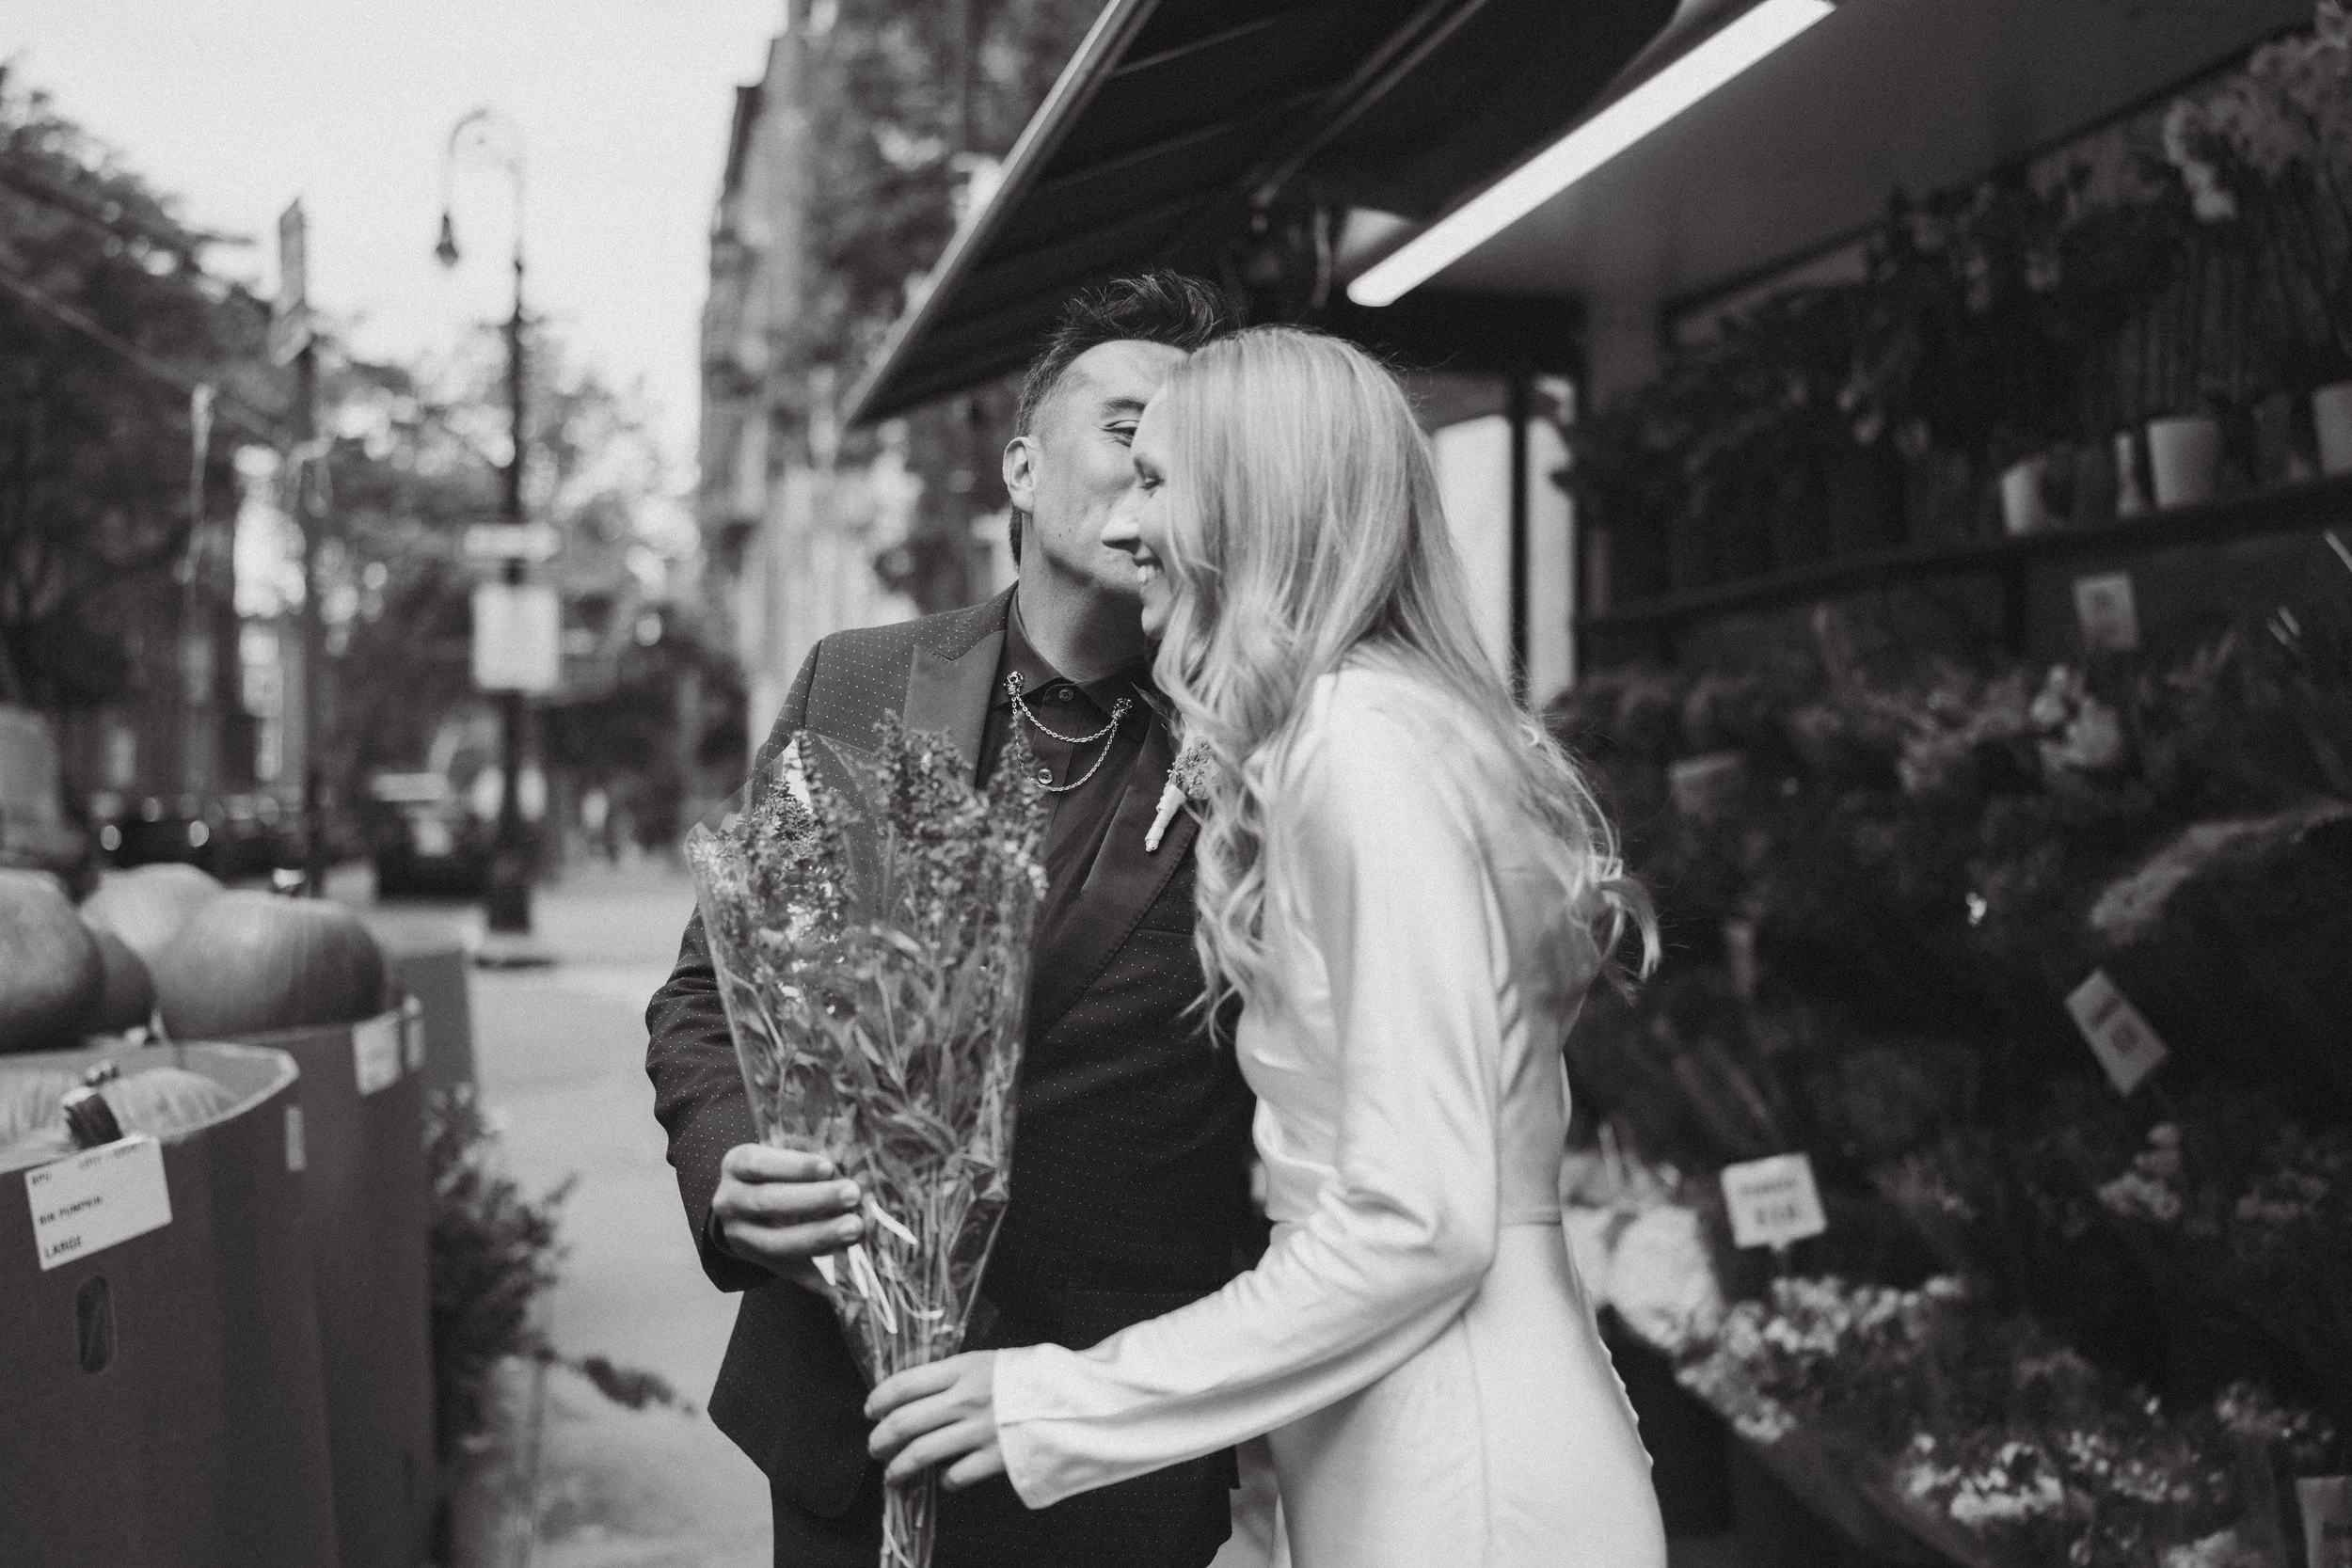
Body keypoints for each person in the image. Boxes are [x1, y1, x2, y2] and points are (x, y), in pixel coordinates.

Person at [865, 325, 1671, 1568]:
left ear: (1256, 504)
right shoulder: (1371, 730)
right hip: (1412, 1428)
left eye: (1158, 479)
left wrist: (1066, 1400)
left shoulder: (1358, 746)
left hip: (1458, 1464)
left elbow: (1416, 1219)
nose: (1128, 529)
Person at [644, 272, 1271, 1568]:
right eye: (1126, 428)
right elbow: (707, 996)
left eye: (1195, 452)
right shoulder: (856, 680)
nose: (1158, 471)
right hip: (844, 1427)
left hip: (1105, 1466)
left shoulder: (1258, 741)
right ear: (1024, 465)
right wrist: (730, 1164)